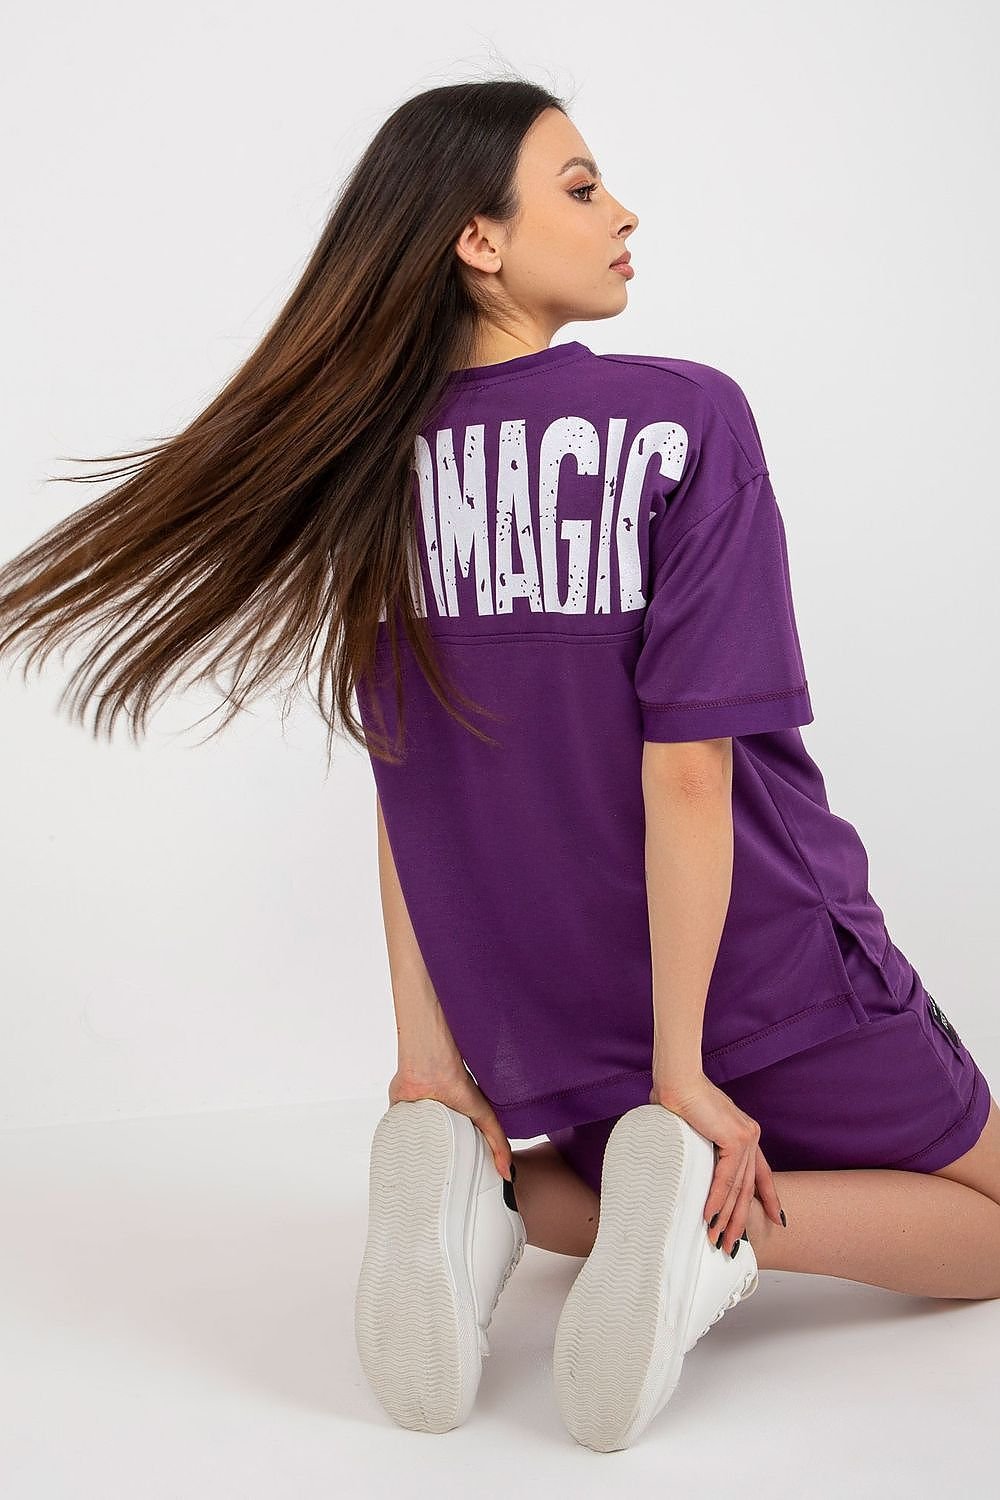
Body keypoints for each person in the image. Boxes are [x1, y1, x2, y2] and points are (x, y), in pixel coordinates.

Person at [2, 78, 998, 1451]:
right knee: (994, 1225)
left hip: (545, 1014)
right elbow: (690, 771)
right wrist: (682, 1074)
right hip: (761, 970)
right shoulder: (685, 417)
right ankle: (711, 1232)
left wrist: (429, 1062)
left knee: (605, 1185)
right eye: (581, 187)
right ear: (479, 240)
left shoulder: (375, 467)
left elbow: (405, 778)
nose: (624, 212)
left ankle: (500, 1193)